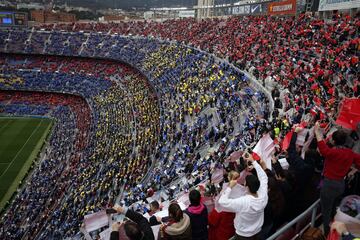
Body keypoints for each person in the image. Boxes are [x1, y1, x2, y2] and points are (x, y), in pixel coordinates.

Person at [314, 122, 360, 236]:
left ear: (334, 141)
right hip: (340, 185)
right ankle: (335, 226)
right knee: (333, 206)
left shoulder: (333, 152)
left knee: (326, 210)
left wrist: (317, 131)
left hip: (329, 185)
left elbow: (323, 148)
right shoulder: (350, 154)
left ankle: (327, 234)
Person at [218, 154, 268, 240]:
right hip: (258, 231)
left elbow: (222, 202)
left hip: (243, 235)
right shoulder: (263, 194)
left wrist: (230, 187)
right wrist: (253, 161)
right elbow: (263, 177)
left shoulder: (243, 202)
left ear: (247, 186)